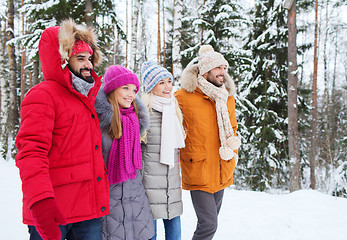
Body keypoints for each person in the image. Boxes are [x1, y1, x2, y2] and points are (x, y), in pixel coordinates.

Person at [15, 19, 110, 240]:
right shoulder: (43, 95)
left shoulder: (89, 98)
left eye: (89, 58)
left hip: (88, 213)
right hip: (54, 212)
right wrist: (40, 202)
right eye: (80, 58)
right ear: (62, 60)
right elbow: (31, 152)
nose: (87, 64)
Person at [175, 45, 241, 240]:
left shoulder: (227, 97)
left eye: (224, 68)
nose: (223, 73)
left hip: (222, 166)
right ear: (205, 70)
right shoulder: (183, 97)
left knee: (210, 223)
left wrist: (233, 153)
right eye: (218, 68)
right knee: (209, 224)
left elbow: (233, 127)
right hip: (198, 169)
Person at [94, 65, 155, 240]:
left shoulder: (136, 121)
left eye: (134, 89)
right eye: (125, 88)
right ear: (112, 89)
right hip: (110, 204)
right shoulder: (99, 123)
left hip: (136, 204)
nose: (131, 94)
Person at [140, 61, 186, 240]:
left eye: (169, 81)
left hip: (172, 186)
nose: (168, 86)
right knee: (149, 236)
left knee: (175, 235)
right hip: (149, 185)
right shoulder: (144, 113)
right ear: (151, 87)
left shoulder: (174, 111)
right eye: (162, 82)